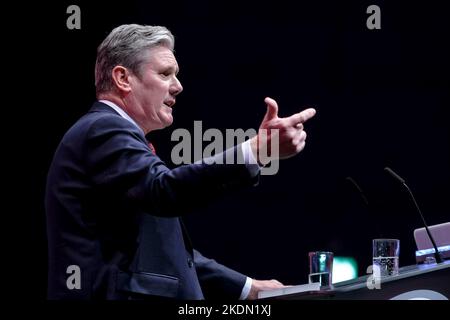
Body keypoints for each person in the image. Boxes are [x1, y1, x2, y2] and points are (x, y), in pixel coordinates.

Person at [45, 24, 316, 300]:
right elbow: (165, 190)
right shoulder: (102, 129)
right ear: (123, 78)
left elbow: (165, 254)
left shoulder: (116, 138)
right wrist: (255, 150)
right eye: (165, 74)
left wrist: (247, 287)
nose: (178, 86)